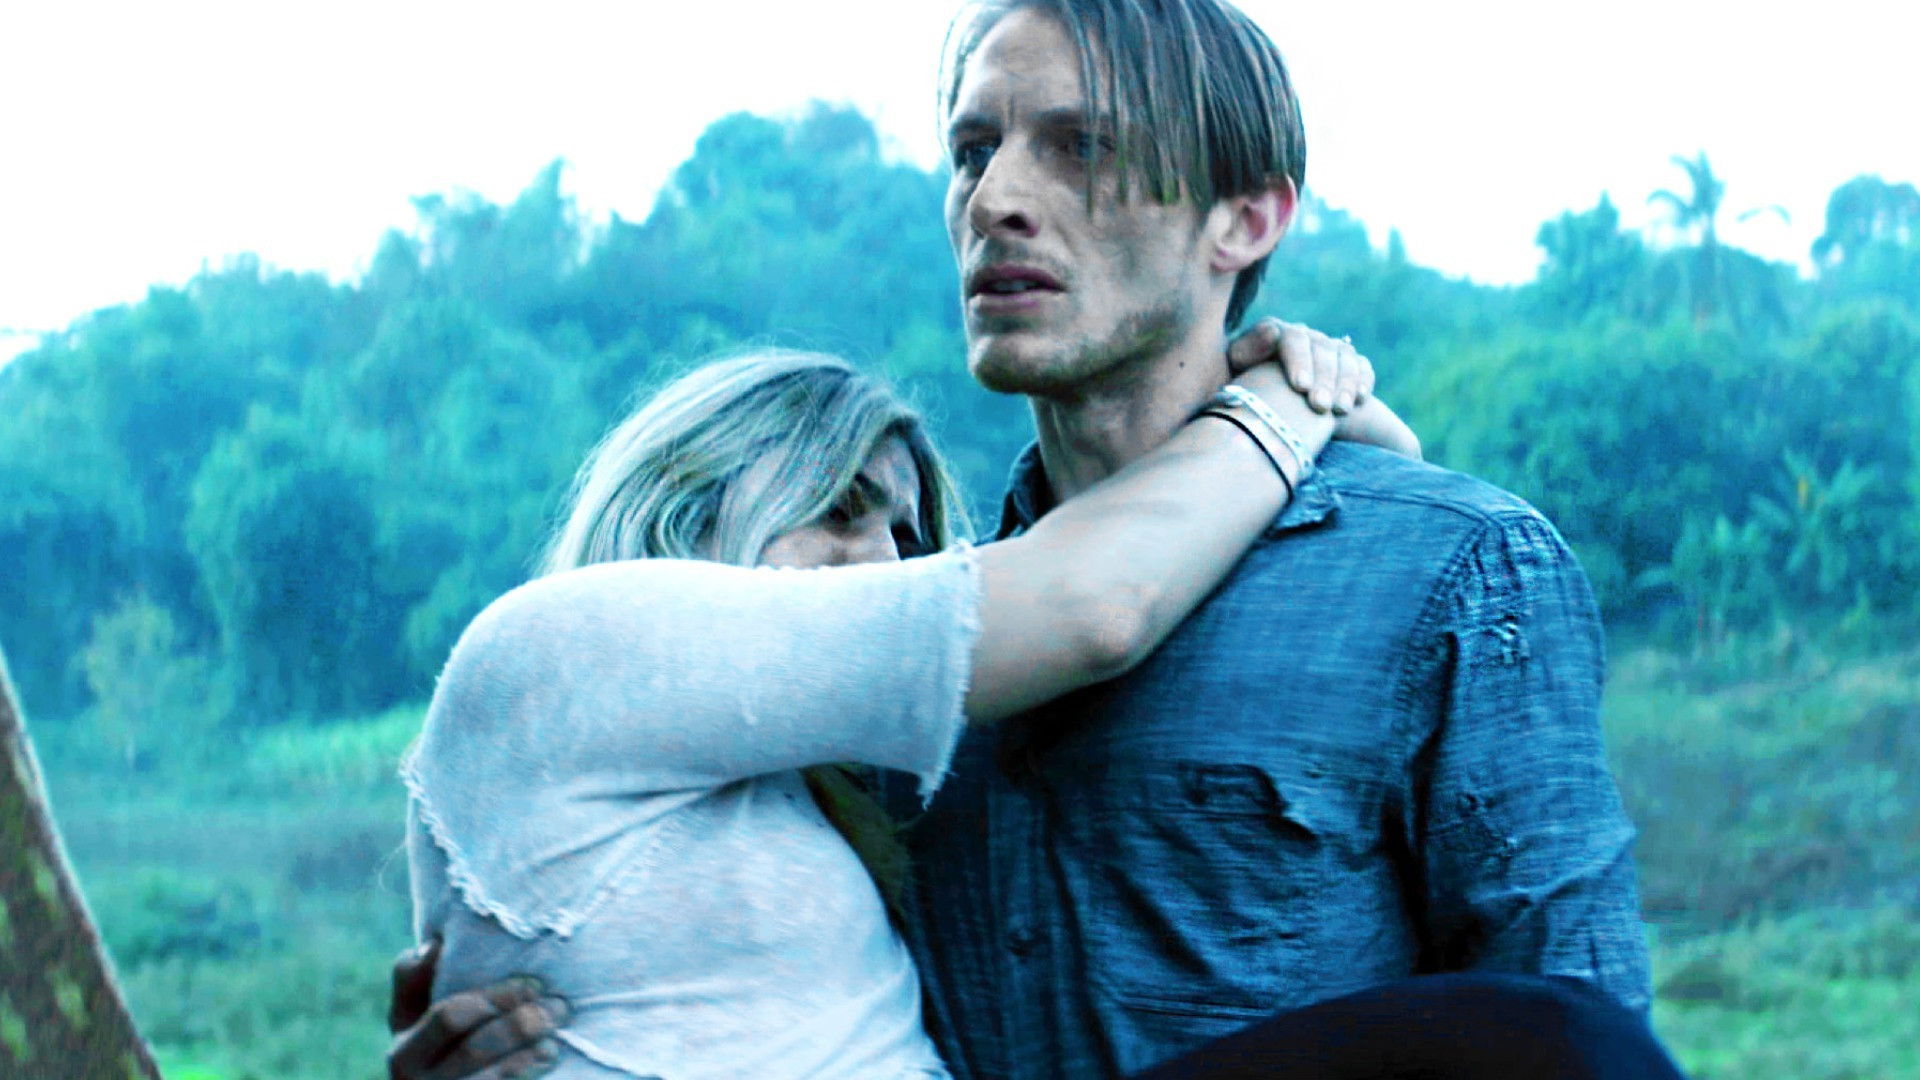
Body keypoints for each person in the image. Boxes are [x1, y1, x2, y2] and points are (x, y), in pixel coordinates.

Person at [390, 0, 1674, 1076]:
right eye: (971, 151)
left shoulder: (1449, 569)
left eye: (1078, 145)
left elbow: (1580, 1028)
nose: (996, 197)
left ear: (1246, 217)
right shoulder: (913, 653)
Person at [399, 343, 1416, 1079]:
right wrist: (1281, 402)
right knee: (1486, 1033)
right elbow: (1097, 604)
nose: (885, 560)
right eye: (840, 508)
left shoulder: (792, 785)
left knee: (1459, 1038)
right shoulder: (566, 646)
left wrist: (1367, 435)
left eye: (905, 535)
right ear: (686, 499)